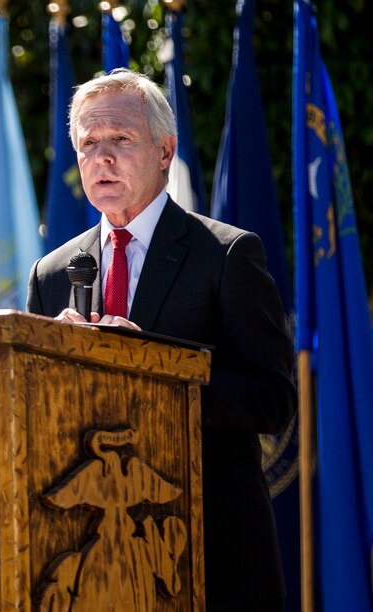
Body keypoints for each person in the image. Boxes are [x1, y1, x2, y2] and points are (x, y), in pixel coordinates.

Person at [26, 69, 296, 611]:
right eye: (88, 143)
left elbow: (272, 402)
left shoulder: (226, 255)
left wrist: (152, 364)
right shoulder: (54, 271)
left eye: (121, 140)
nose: (102, 157)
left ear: (165, 150)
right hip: (91, 559)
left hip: (209, 541)